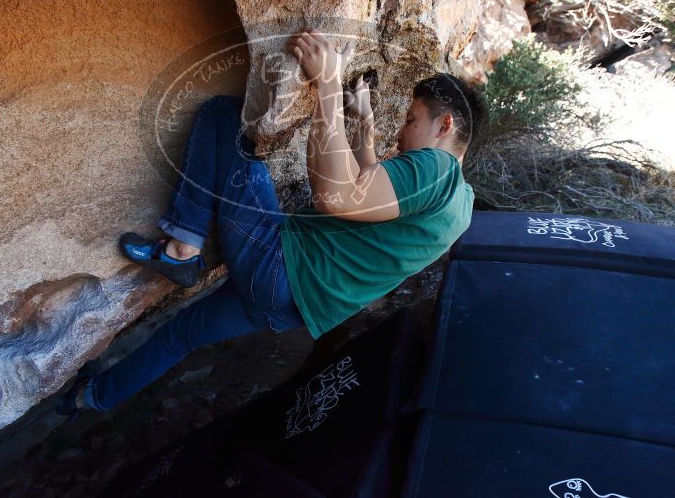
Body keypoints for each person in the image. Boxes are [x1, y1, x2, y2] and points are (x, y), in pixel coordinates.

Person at [56, 27, 485, 418]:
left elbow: (338, 196)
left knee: (225, 118)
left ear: (445, 125)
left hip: (279, 263)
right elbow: (372, 194)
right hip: (289, 306)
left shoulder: (437, 169)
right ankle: (88, 398)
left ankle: (182, 247)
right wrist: (364, 122)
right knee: (180, 336)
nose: (403, 133)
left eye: (412, 121)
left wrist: (329, 84)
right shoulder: (459, 206)